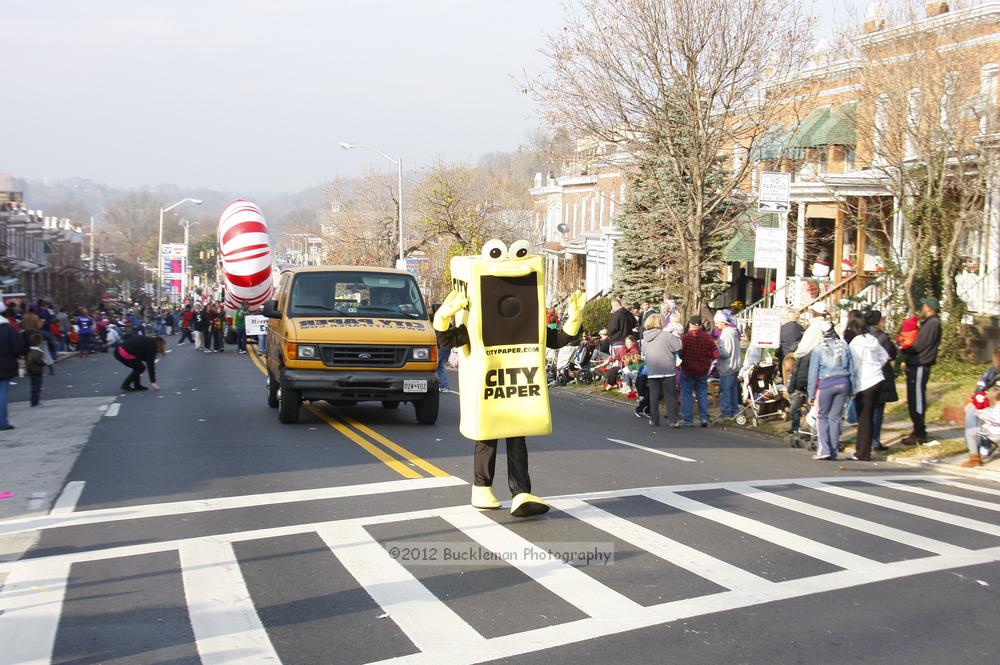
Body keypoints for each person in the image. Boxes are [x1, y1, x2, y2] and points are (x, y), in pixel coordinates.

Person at [807, 321, 854, 460]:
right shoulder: (844, 345)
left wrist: (811, 393)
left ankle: (824, 450)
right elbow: (851, 369)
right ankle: (833, 451)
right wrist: (852, 388)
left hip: (827, 383)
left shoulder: (818, 349)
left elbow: (813, 373)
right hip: (843, 383)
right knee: (835, 418)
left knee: (822, 416)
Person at [900, 298, 942, 445]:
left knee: (917, 399)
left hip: (920, 363)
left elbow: (920, 345)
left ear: (929, 308)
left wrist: (905, 348)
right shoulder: (929, 323)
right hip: (916, 363)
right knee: (913, 398)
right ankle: (917, 429)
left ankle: (920, 432)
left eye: (924, 306)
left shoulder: (932, 323)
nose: (922, 308)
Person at [848, 315, 890, 461]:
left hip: (864, 381)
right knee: (869, 416)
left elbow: (854, 365)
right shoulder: (872, 339)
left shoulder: (856, 343)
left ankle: (862, 452)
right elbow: (885, 357)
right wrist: (876, 367)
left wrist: (852, 384)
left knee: (863, 417)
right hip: (877, 378)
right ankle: (863, 450)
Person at [788, 302, 829, 436]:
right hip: (825, 367)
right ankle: (814, 428)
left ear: (814, 313)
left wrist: (796, 354)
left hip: (808, 363)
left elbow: (804, 348)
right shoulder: (828, 326)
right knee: (815, 400)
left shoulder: (814, 327)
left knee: (802, 396)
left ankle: (798, 427)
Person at [960, 347, 1000, 467]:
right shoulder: (991, 372)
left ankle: (981, 448)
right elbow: (979, 389)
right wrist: (981, 397)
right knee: (972, 410)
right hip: (990, 402)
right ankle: (977, 453)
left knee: (976, 413)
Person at [865, 310, 898, 452]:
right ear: (878, 321)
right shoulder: (883, 337)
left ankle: (866, 439)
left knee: (867, 411)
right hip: (881, 376)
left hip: (866, 376)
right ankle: (874, 440)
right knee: (878, 410)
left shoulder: (863, 336)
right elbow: (891, 354)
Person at [642, 313, 682, 427]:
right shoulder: (666, 336)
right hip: (667, 369)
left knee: (654, 396)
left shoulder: (645, 339)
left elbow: (644, 352)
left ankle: (654, 420)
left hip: (652, 370)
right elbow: (678, 346)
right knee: (670, 396)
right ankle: (673, 420)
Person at [679, 316, 718, 427]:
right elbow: (715, 354)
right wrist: (707, 357)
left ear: (690, 325)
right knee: (702, 394)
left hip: (688, 369)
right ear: (700, 325)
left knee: (687, 394)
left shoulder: (685, 338)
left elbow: (680, 354)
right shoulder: (707, 338)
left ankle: (688, 419)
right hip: (703, 370)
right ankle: (704, 418)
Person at [961, 385, 1000, 467]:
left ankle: (974, 457)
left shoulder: (989, 410)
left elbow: (973, 412)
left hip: (992, 434)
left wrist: (975, 405)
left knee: (970, 433)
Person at [714, 310, 742, 419]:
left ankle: (725, 413)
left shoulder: (725, 335)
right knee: (733, 390)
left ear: (722, 322)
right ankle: (734, 410)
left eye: (717, 323)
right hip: (734, 366)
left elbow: (725, 353)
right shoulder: (733, 333)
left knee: (725, 391)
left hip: (727, 367)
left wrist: (716, 347)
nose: (716, 325)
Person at [0, 314, 24, 431]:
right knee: (2, 393)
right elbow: (18, 348)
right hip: (5, 363)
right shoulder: (8, 329)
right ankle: (2, 422)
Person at [26, 333, 46, 407]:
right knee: (37, 386)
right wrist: (43, 363)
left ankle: (34, 401)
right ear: (39, 342)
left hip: (31, 370)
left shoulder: (30, 350)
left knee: (33, 386)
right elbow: (38, 360)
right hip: (37, 370)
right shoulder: (37, 351)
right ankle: (35, 402)